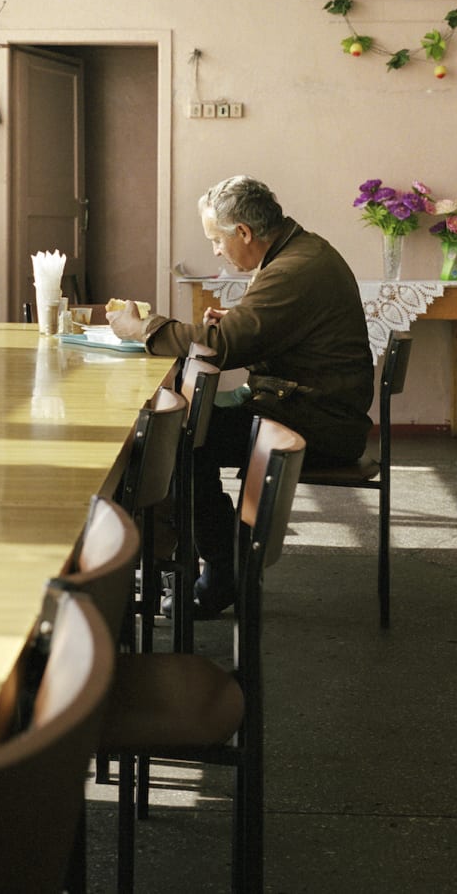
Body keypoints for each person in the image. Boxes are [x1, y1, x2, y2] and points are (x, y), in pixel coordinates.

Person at [108, 175, 374, 615]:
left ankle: (219, 569)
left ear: (244, 233)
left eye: (216, 239)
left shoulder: (295, 269)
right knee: (180, 431)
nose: (216, 250)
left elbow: (225, 346)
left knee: (178, 440)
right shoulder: (300, 252)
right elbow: (268, 331)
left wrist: (145, 329)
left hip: (318, 422)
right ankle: (175, 559)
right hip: (309, 406)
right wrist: (238, 319)